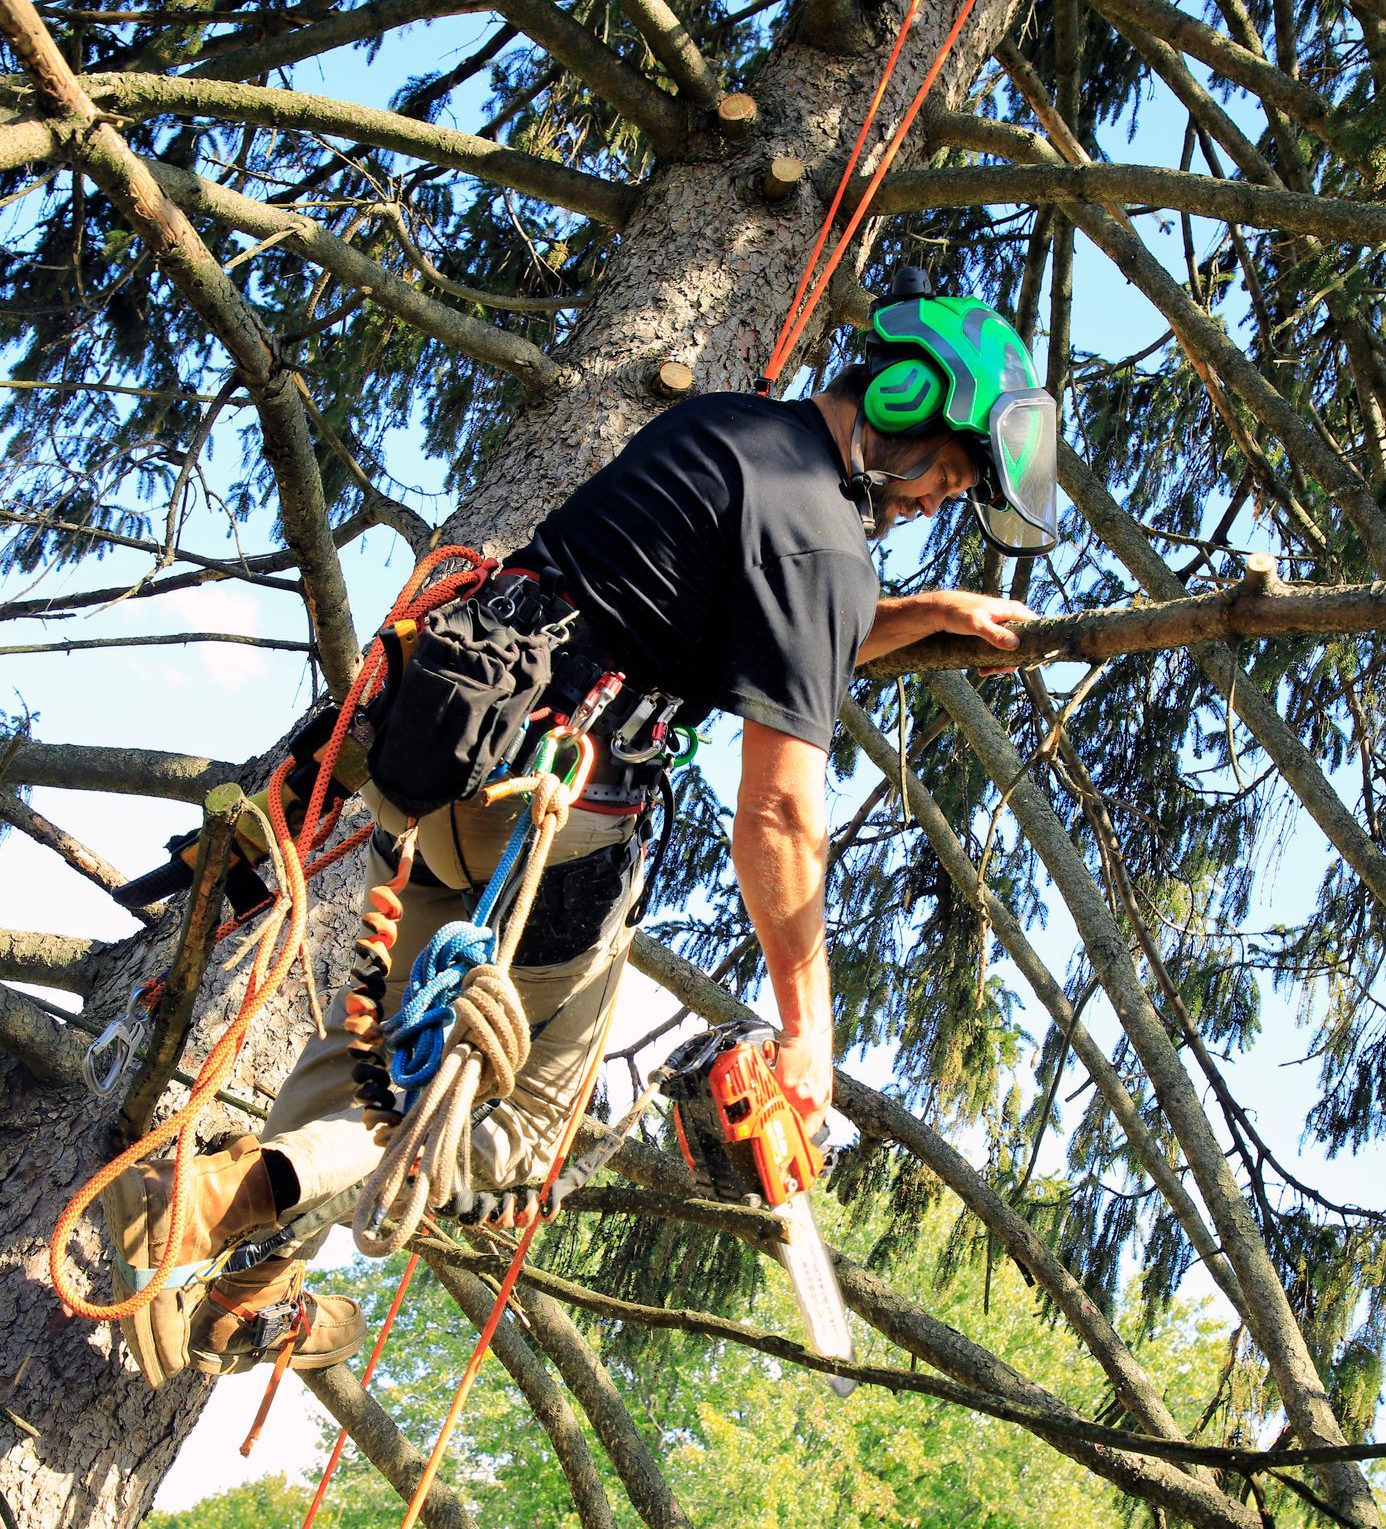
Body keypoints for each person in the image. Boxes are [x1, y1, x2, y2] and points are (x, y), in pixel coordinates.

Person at [104, 272, 1056, 1389]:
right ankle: (200, 1204)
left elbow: (747, 619)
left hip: (438, 762)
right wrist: (810, 1031)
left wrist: (923, 616)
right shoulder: (824, 545)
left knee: (382, 1061)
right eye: (949, 471)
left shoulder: (730, 429)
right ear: (902, 399)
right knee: (512, 1132)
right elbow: (781, 812)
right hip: (559, 831)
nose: (941, 500)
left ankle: (244, 1293)